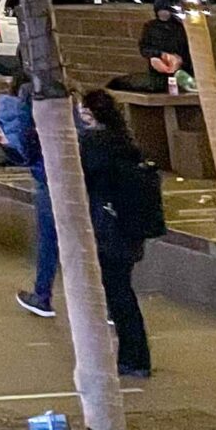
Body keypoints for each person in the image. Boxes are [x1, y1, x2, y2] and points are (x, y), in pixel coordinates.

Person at [79, 87, 160, 379]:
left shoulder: (94, 144)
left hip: (108, 228)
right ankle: (135, 356)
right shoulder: (124, 141)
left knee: (118, 295)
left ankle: (133, 358)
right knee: (121, 291)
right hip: (129, 227)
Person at [2, 75, 61, 319]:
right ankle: (110, 304)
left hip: (48, 176)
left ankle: (42, 295)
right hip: (82, 177)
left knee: (48, 239)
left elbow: (23, 144)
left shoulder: (28, 96)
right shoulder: (63, 89)